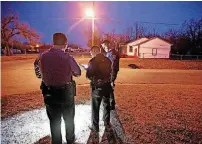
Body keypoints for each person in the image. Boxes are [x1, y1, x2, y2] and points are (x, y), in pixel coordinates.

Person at [34, 32, 81, 144]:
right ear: (65, 43)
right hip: (66, 93)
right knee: (69, 120)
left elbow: (38, 74)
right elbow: (78, 72)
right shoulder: (67, 57)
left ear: (53, 42)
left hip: (49, 93)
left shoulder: (41, 57)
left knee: (54, 122)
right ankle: (70, 140)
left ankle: (56, 141)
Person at [86, 45, 113, 143]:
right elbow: (110, 71)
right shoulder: (108, 60)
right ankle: (106, 122)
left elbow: (88, 75)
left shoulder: (92, 61)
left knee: (95, 107)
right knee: (106, 105)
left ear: (94, 51)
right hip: (107, 86)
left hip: (97, 88)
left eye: (91, 52)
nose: (91, 54)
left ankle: (95, 127)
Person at [101, 40, 120, 110]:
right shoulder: (109, 53)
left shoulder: (112, 53)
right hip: (109, 73)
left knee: (109, 87)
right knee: (109, 88)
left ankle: (111, 104)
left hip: (111, 73)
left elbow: (113, 66)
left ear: (107, 45)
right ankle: (112, 104)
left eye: (103, 46)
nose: (103, 48)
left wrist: (112, 78)